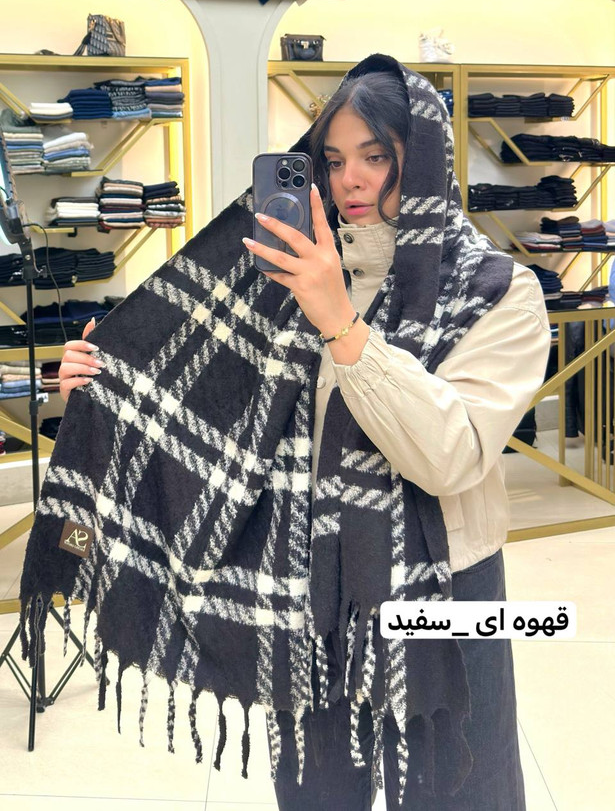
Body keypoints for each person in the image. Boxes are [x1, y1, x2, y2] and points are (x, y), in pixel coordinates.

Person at [46, 55, 549, 811]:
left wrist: (340, 322)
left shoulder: (498, 291)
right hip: (305, 583)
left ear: (423, 160)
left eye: (375, 157)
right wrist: (103, 387)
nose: (350, 181)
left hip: (447, 585)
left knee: (459, 788)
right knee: (317, 793)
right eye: (334, 160)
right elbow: (209, 414)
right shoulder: (286, 278)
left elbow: (452, 455)